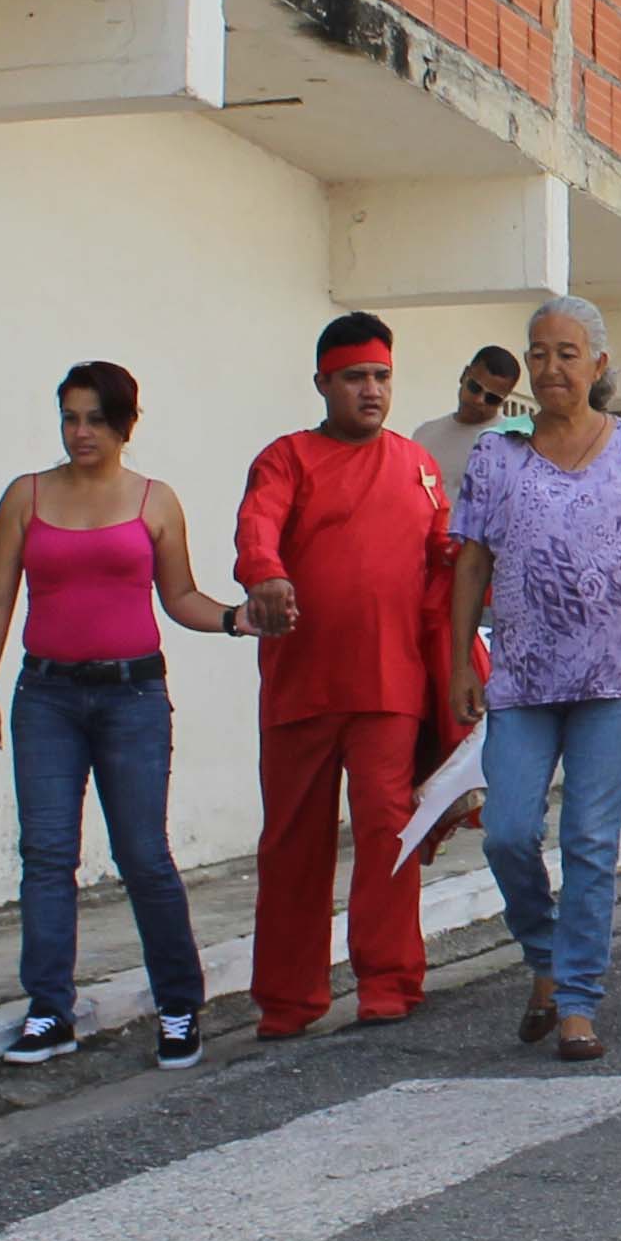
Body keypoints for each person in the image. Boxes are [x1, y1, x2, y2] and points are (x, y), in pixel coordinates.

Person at [0, 360, 247, 1068]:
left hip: (134, 698)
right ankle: (49, 1011)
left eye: (94, 418)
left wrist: (238, 619)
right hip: (46, 698)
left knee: (143, 855)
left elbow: (180, 597)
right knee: (47, 856)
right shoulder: (25, 498)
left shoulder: (155, 501)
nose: (79, 431)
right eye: (69, 417)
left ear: (124, 423)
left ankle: (179, 1007)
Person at [441, 296, 621, 1064]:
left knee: (589, 839)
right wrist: (461, 659)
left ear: (599, 365)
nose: (551, 368)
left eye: (567, 353)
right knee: (510, 833)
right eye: (540, 353)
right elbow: (472, 562)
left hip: (615, 674)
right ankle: (545, 956)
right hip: (522, 676)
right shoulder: (498, 455)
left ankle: (578, 998)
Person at [233, 314, 454, 1039]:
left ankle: (388, 983)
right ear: (323, 383)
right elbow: (257, 527)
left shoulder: (417, 465)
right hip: (300, 685)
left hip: (391, 687)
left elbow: (444, 562)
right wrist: (264, 575)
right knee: (292, 843)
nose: (371, 390)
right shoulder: (286, 459)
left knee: (389, 834)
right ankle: (289, 1000)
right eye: (355, 377)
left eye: (382, 377)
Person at [415, 343, 524, 493]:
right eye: (475, 387)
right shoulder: (424, 435)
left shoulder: (513, 446)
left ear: (504, 400)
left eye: (492, 398)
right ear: (464, 375)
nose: (479, 400)